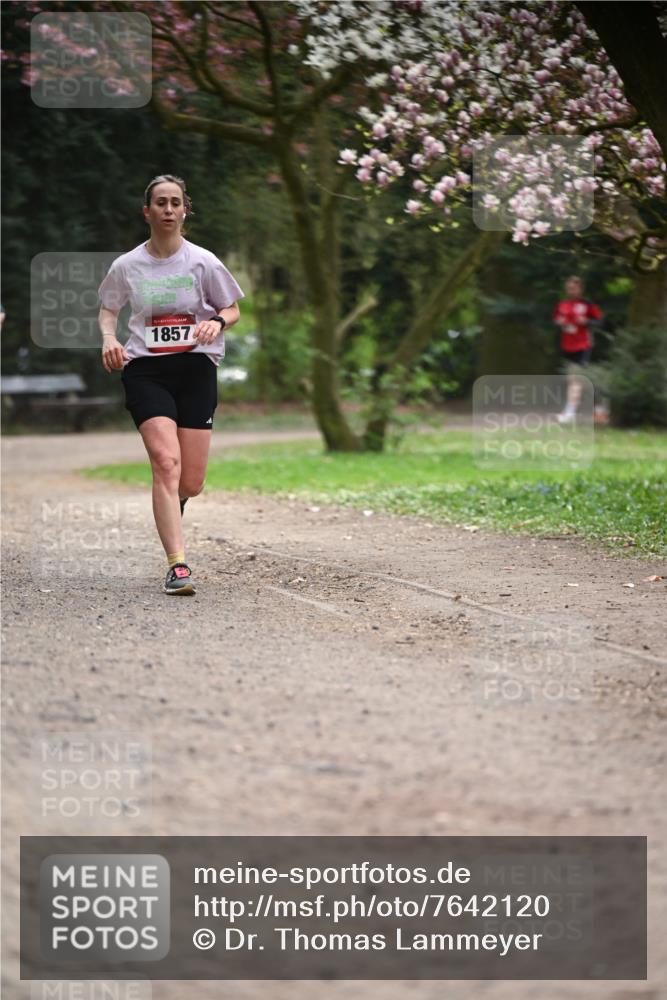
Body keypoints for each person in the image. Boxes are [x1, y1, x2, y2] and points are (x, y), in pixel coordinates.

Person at [98, 174, 244, 595]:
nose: (167, 209)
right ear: (147, 211)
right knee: (165, 462)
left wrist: (216, 322)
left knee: (190, 481)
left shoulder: (203, 262)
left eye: (174, 202)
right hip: (146, 369)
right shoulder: (126, 265)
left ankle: (172, 508)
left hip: (196, 368)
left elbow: (231, 309)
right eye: (159, 202)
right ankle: (178, 565)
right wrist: (109, 338)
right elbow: (109, 309)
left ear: (184, 210)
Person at [552, 275, 602, 424]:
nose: (570, 291)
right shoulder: (562, 304)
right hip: (567, 346)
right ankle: (599, 406)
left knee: (574, 379)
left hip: (583, 346)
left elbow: (600, 321)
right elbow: (555, 319)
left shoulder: (587, 305)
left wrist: (586, 321)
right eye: (568, 288)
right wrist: (559, 322)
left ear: (580, 288)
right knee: (576, 381)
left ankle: (569, 413)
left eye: (573, 288)